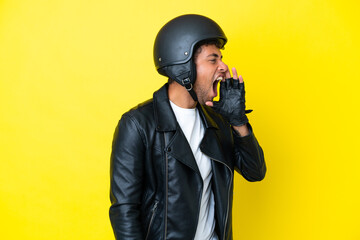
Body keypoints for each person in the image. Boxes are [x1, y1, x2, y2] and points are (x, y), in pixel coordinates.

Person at [109, 14, 266, 240]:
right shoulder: (138, 124)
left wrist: (238, 122)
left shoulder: (218, 121)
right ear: (183, 68)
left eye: (221, 59)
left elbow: (255, 172)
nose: (223, 67)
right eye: (213, 60)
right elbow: (124, 210)